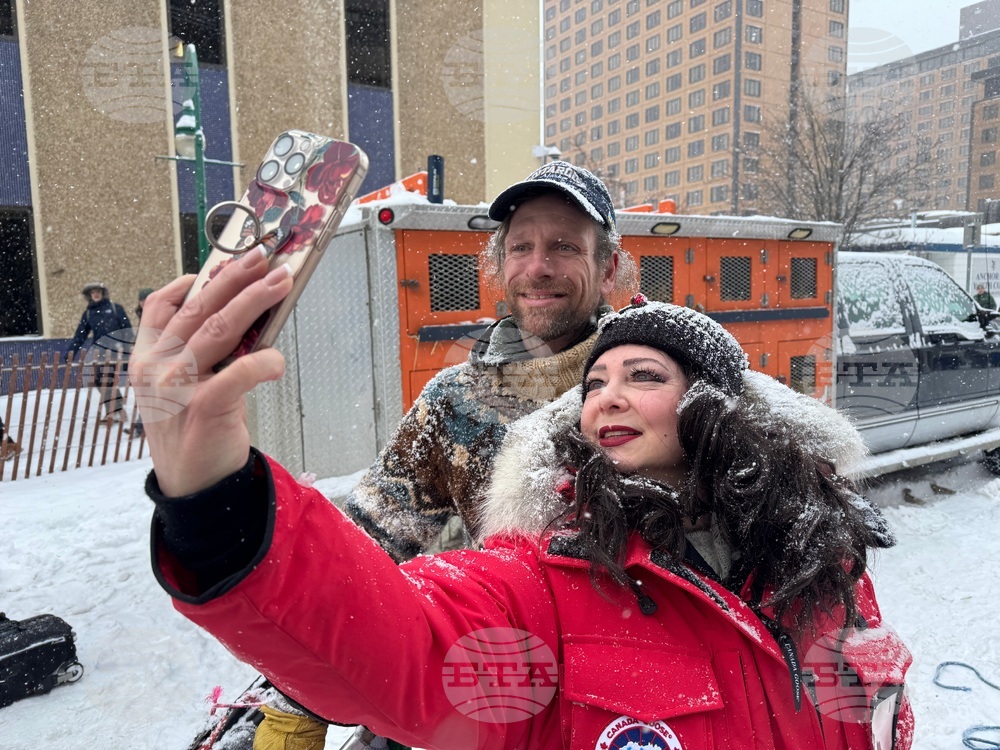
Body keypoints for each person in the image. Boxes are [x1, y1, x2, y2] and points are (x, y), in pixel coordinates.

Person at [134, 265, 913, 748]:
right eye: (596, 383)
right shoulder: (544, 578)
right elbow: (404, 644)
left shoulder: (823, 554)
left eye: (643, 376)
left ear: (717, 405)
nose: (607, 396)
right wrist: (219, 498)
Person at [68, 282, 131, 423]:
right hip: (99, 352)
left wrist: (126, 351)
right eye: (93, 292)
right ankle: (117, 411)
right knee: (100, 381)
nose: (96, 294)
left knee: (105, 380)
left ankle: (114, 413)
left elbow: (127, 330)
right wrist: (71, 352)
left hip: (115, 350)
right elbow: (80, 335)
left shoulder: (115, 309)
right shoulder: (89, 313)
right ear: (89, 295)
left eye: (98, 291)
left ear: (103, 293)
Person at [130, 288, 155, 439]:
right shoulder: (142, 315)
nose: (144, 302)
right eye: (142, 300)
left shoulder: (159, 313)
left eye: (148, 299)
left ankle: (142, 426)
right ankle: (142, 426)